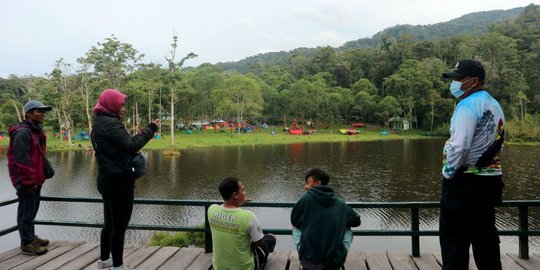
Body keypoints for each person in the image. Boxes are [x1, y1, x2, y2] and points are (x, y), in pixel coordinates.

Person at [440, 59, 505, 270]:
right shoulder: (495, 105)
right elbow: (497, 141)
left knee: (454, 246)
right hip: (489, 185)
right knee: (486, 243)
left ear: (473, 81)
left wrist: (448, 172)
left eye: (458, 79)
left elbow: (459, 148)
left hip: (463, 187)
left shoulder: (467, 106)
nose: (455, 83)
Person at [91, 89, 160, 270]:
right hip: (119, 182)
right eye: (121, 104)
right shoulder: (111, 125)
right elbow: (130, 145)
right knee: (119, 227)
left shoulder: (98, 123)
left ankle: (105, 260)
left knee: (109, 223)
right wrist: (150, 129)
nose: (123, 108)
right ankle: (118, 266)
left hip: (106, 179)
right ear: (112, 104)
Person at [7, 100, 53, 255]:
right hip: (27, 181)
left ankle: (31, 236)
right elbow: (21, 160)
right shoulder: (22, 132)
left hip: (36, 179)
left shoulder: (35, 131)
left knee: (31, 210)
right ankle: (27, 242)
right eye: (39, 111)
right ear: (28, 113)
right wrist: (28, 182)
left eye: (44, 112)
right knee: (26, 212)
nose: (43, 115)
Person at [291, 168, 361, 269]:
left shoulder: (306, 199)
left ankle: (306, 254)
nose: (305, 187)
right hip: (334, 263)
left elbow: (294, 219)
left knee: (295, 227)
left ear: (318, 183)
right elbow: (356, 221)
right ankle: (338, 255)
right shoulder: (340, 203)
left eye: (307, 183)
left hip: (308, 261)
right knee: (347, 227)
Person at [208, 177, 276, 270]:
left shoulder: (211, 210)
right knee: (270, 239)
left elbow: (225, 205)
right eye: (243, 190)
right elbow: (260, 243)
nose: (245, 193)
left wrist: (237, 202)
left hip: (219, 267)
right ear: (235, 195)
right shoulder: (248, 216)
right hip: (245, 268)